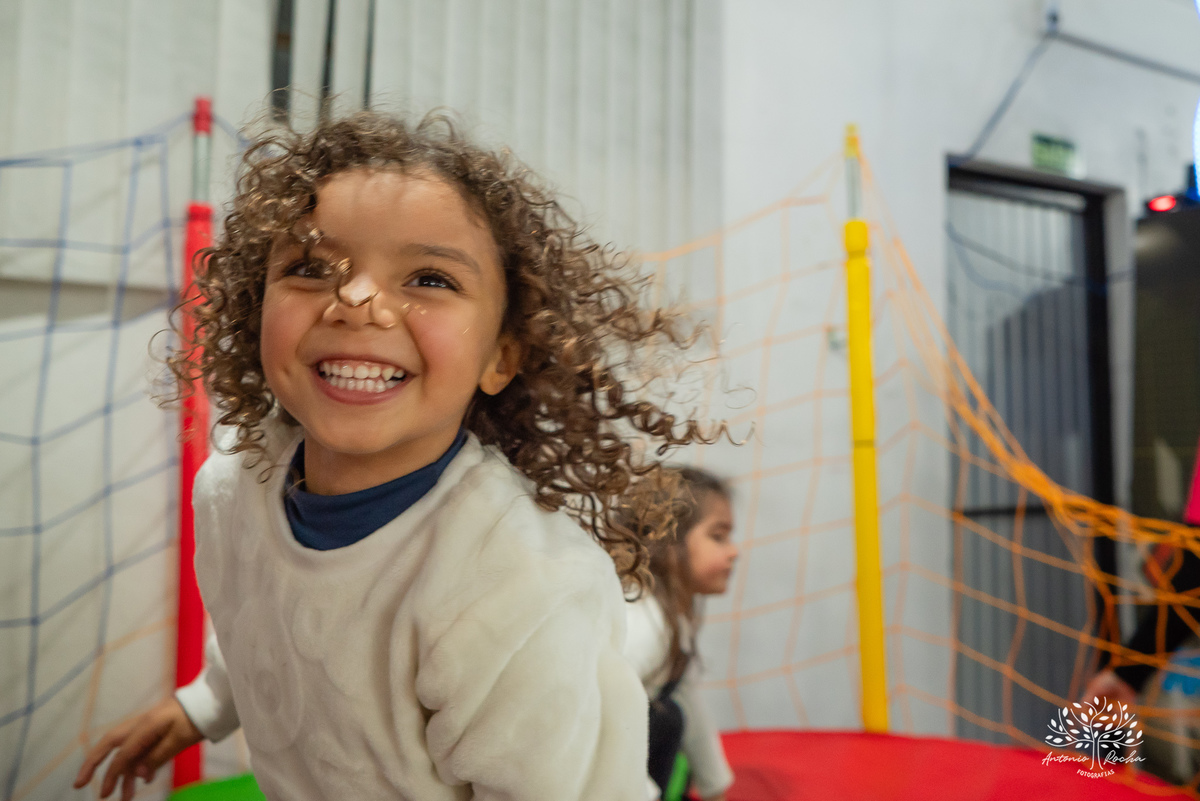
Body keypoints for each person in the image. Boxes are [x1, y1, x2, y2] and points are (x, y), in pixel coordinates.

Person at [74, 111, 722, 801]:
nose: (355, 299)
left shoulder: (517, 583)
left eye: (430, 279)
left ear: (502, 354)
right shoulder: (233, 488)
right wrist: (201, 705)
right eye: (311, 267)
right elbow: (271, 625)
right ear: (256, 306)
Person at [622, 467, 738, 801]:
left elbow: (686, 695)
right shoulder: (644, 625)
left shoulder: (672, 616)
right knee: (665, 720)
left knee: (670, 714)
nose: (734, 551)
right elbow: (597, 724)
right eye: (719, 536)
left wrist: (716, 787)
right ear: (668, 543)